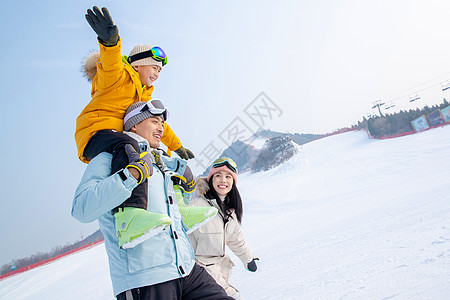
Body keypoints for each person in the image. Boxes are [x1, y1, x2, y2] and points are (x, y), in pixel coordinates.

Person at [72, 100, 231, 299]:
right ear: (134, 124)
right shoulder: (110, 156)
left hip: (186, 269)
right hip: (146, 280)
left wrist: (186, 184)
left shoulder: (160, 160)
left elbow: (171, 213)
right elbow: (81, 208)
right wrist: (130, 176)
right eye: (155, 121)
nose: (161, 128)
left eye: (162, 124)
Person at [75, 6, 204, 248]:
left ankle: (181, 210)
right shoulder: (118, 77)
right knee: (129, 144)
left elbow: (156, 124)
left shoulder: (144, 94)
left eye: (160, 69)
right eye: (154, 66)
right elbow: (111, 63)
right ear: (138, 65)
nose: (157, 72)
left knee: (158, 156)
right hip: (96, 132)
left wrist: (177, 147)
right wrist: (110, 41)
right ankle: (129, 216)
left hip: (121, 137)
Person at [188, 158, 259, 299]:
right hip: (197, 275)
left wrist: (248, 259)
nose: (223, 180)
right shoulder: (195, 206)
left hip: (218, 272)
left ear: (233, 182)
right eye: (218, 175)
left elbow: (236, 240)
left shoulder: (229, 211)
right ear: (211, 179)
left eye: (228, 177)